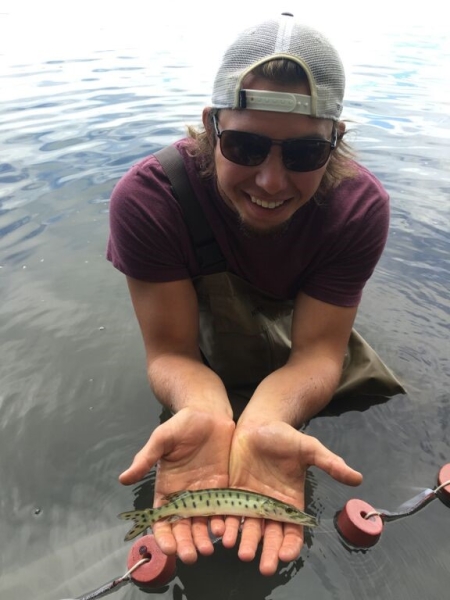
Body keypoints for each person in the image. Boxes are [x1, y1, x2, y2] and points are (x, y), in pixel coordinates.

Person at [107, 13, 404, 576]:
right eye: (244, 146)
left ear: (335, 142)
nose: (271, 182)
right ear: (211, 126)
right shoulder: (149, 201)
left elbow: (318, 353)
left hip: (307, 328)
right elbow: (171, 352)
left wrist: (267, 419)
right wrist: (202, 409)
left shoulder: (357, 209)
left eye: (303, 155)